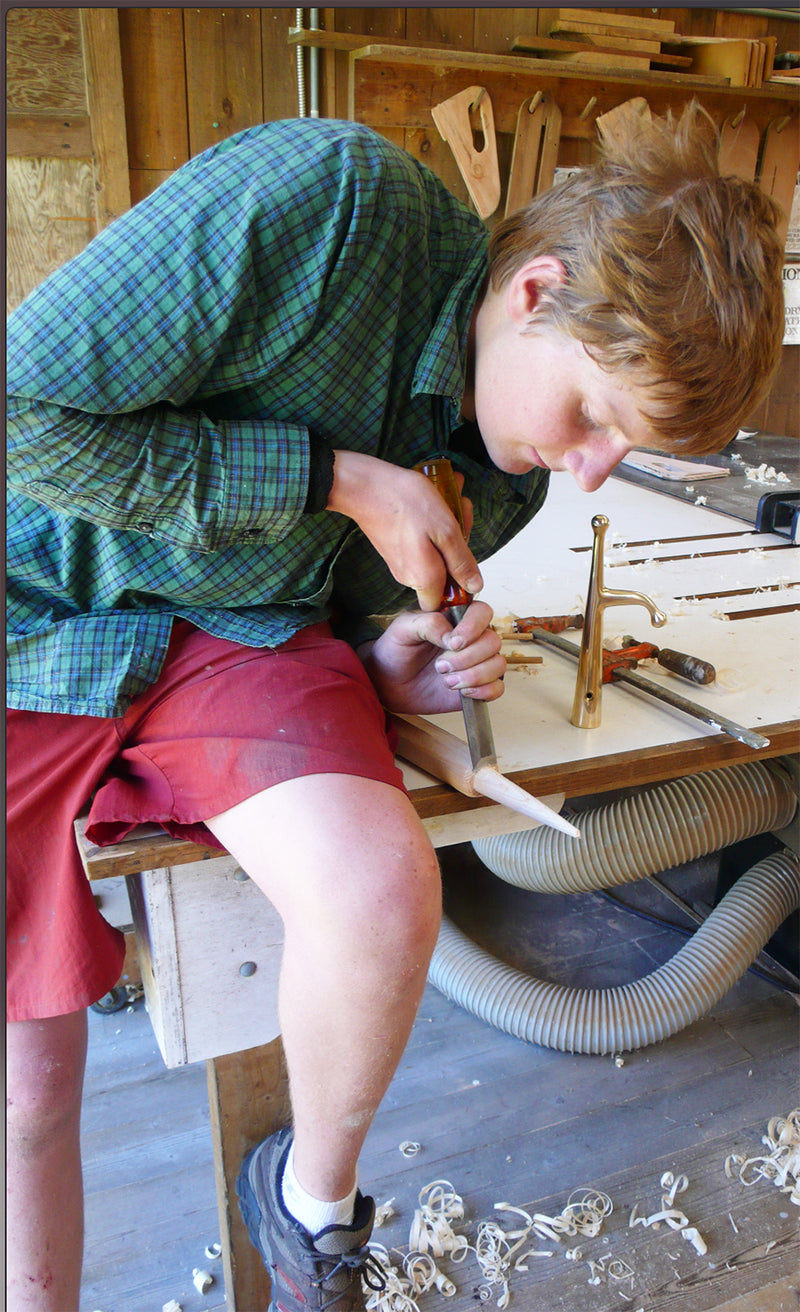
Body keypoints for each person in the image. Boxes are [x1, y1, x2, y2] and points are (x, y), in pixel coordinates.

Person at [6, 99, 783, 1312]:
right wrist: (332, 477)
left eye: (618, 452)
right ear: (533, 292)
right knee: (32, 1088)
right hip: (37, 604)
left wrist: (384, 665)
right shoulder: (331, 202)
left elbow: (330, 609)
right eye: (589, 417)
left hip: (236, 635)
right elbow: (22, 414)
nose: (585, 469)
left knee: (381, 888)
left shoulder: (497, 469)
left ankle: (308, 1207)